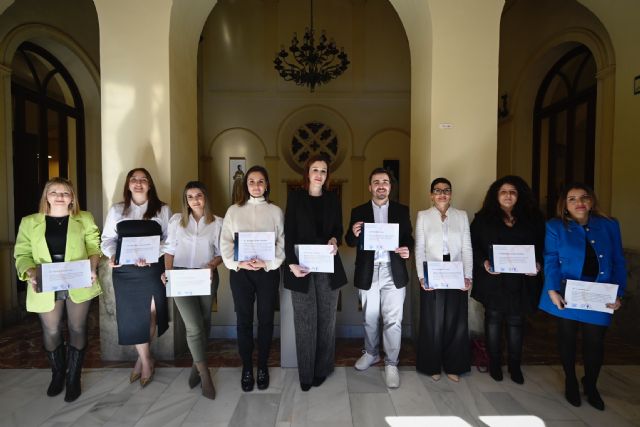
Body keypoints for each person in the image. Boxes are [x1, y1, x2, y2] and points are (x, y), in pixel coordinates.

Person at [539, 183, 625, 410]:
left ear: (591, 201)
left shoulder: (609, 225)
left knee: (595, 342)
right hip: (568, 292)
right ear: (565, 205)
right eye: (572, 199)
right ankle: (570, 380)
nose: (579, 202)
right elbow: (551, 259)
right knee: (566, 339)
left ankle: (591, 384)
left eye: (584, 197)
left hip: (600, 293)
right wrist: (552, 290)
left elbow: (618, 260)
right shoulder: (555, 226)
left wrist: (619, 293)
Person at [14, 177, 101, 402]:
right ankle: (58, 373)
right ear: (46, 196)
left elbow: (94, 246)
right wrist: (31, 273)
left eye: (65, 192)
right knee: (51, 330)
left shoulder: (84, 218)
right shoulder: (29, 222)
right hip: (45, 280)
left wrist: (92, 268)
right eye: (54, 192)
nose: (60, 196)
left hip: (78, 278)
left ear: (72, 197)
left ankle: (73, 378)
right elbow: (22, 254)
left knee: (77, 327)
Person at [101, 168, 172, 387]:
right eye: (134, 179)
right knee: (133, 317)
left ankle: (142, 360)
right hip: (125, 271)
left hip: (152, 269)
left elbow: (170, 240)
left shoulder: (162, 209)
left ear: (150, 184)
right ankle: (147, 361)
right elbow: (107, 239)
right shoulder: (117, 210)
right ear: (128, 184)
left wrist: (151, 254)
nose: (138, 183)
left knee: (150, 315)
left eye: (143, 179)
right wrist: (112, 255)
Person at [470, 175, 545, 384]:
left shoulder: (534, 218)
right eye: (503, 192)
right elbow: (472, 245)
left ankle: (514, 365)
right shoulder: (483, 218)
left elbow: (543, 247)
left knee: (516, 321)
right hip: (494, 280)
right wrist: (484, 262)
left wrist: (538, 264)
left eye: (513, 192)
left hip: (522, 281)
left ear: (520, 195)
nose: (508, 196)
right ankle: (494, 363)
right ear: (496, 195)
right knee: (493, 320)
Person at [284, 154, 348, 391]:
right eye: (315, 170)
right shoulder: (295, 198)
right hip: (300, 267)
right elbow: (288, 233)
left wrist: (334, 239)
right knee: (304, 322)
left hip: (328, 266)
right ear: (307, 173)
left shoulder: (333, 199)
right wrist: (291, 263)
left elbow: (338, 230)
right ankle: (306, 374)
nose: (319, 174)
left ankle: (322, 369)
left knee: (326, 321)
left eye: (323, 170)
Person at [345, 167, 413, 388]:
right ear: (370, 187)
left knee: (393, 320)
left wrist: (407, 249)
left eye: (385, 182)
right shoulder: (359, 211)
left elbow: (409, 238)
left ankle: (391, 363)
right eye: (376, 182)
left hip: (394, 270)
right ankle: (371, 353)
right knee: (370, 317)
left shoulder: (402, 210)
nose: (381, 186)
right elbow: (349, 241)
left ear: (390, 187)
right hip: (368, 270)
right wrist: (353, 233)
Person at [220, 165, 285, 392]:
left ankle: (262, 366)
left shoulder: (275, 211)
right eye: (251, 182)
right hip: (241, 273)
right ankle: (247, 367)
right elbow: (225, 241)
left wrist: (268, 263)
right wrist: (237, 263)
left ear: (267, 185)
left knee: (266, 320)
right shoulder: (233, 211)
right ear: (245, 185)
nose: (256, 186)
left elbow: (281, 242)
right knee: (244, 321)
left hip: (267, 272)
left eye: (260, 182)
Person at [162, 181, 222, 400]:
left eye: (198, 195)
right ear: (185, 200)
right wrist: (168, 273)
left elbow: (221, 253)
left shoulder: (218, 223)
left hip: (206, 277)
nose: (195, 200)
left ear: (205, 197)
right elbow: (169, 250)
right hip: (180, 277)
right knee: (194, 325)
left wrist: (212, 265)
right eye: (190, 197)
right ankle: (205, 374)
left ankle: (196, 366)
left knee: (204, 323)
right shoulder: (177, 221)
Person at [415, 177, 472, 382]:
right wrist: (422, 276)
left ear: (451, 194)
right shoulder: (423, 216)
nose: (442, 194)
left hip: (456, 270)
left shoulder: (461, 215)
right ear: (431, 195)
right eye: (437, 190)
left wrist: (468, 276)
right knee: (433, 321)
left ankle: (454, 366)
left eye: (446, 190)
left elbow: (466, 247)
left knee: (455, 321)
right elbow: (419, 248)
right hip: (432, 271)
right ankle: (432, 366)